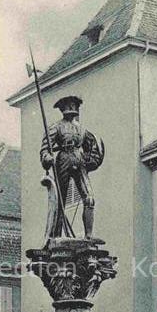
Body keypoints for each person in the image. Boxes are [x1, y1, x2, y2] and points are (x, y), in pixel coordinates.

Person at [40, 95, 104, 240]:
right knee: (60, 200)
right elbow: (45, 149)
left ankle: (89, 235)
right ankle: (55, 236)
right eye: (68, 105)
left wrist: (93, 159)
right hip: (63, 158)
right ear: (62, 108)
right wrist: (47, 158)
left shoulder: (82, 129)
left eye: (74, 105)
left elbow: (92, 146)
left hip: (79, 159)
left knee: (89, 198)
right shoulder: (55, 127)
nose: (71, 107)